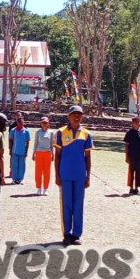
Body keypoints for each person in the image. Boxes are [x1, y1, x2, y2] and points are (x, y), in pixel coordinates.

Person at [55, 105, 93, 246]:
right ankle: (66, 234)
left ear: (82, 116)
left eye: (79, 114)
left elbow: (88, 157)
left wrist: (88, 176)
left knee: (78, 205)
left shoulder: (86, 134)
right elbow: (57, 156)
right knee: (66, 205)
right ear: (68, 116)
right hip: (65, 174)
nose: (76, 117)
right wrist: (57, 175)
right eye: (73, 114)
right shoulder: (60, 132)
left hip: (79, 176)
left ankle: (76, 234)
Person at [123, 117, 140, 195]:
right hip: (131, 156)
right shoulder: (129, 132)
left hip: (139, 156)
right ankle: (131, 188)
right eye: (135, 122)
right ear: (132, 123)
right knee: (131, 172)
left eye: (138, 122)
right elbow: (127, 145)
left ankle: (136, 188)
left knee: (138, 172)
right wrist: (127, 156)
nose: (137, 123)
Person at [32, 116, 56, 195]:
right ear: (41, 124)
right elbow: (35, 143)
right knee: (38, 171)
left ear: (48, 123)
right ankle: (38, 188)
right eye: (43, 123)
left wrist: (53, 154)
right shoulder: (38, 132)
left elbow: (52, 144)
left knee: (47, 172)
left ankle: (45, 189)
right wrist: (33, 153)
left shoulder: (51, 132)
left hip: (47, 153)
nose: (44, 124)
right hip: (39, 153)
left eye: (46, 123)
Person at [9, 112, 31, 184]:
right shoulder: (13, 130)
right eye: (19, 122)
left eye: (21, 122)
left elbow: (27, 142)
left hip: (22, 151)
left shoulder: (26, 131)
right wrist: (10, 150)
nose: (20, 124)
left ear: (23, 122)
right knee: (14, 165)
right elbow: (10, 140)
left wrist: (26, 151)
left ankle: (21, 178)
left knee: (22, 165)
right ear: (17, 122)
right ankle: (14, 179)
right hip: (14, 151)